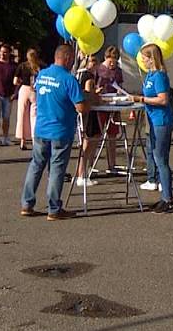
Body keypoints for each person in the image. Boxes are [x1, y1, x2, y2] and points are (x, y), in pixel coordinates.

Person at [20, 44, 88, 220]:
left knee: (36, 166)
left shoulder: (42, 75)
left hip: (41, 128)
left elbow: (38, 93)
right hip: (60, 130)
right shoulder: (68, 79)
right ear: (66, 58)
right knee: (57, 169)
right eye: (72, 59)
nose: (73, 62)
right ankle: (54, 208)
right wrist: (88, 98)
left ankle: (27, 204)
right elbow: (81, 107)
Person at [131, 43, 173, 213]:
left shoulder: (160, 76)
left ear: (152, 58)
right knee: (156, 157)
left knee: (161, 159)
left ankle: (168, 199)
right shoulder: (150, 75)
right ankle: (164, 196)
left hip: (161, 121)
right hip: (152, 120)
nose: (142, 60)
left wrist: (142, 100)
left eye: (144, 57)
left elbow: (163, 99)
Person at [73, 54, 103, 188]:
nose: (94, 64)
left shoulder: (78, 75)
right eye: (92, 61)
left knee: (91, 140)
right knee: (89, 142)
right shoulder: (89, 77)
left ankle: (84, 172)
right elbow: (89, 94)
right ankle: (82, 174)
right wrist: (97, 95)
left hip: (82, 112)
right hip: (89, 112)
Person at [95, 46, 126, 174]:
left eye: (115, 61)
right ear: (105, 58)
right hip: (100, 105)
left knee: (112, 135)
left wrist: (120, 92)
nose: (112, 64)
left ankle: (112, 164)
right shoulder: (98, 69)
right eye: (110, 61)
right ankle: (92, 165)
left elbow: (120, 85)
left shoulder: (118, 71)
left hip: (114, 105)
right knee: (96, 135)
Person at [13, 48, 44, 150]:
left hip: (24, 89)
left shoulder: (22, 66)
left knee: (22, 114)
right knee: (34, 115)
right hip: (36, 91)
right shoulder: (41, 66)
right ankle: (35, 140)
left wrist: (21, 83)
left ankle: (23, 140)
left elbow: (15, 81)